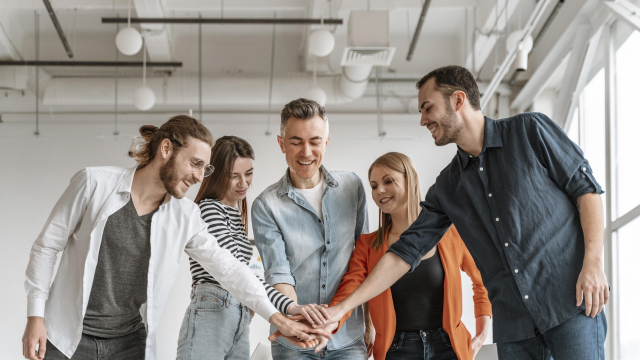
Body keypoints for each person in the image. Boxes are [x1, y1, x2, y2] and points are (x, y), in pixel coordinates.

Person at [321, 65, 609, 360]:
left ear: (458, 100)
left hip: (570, 303)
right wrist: (340, 310)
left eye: (427, 108)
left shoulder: (530, 131)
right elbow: (404, 252)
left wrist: (594, 263)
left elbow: (586, 190)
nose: (423, 120)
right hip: (516, 328)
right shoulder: (448, 187)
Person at [21, 115, 329, 360]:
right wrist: (35, 316)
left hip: (130, 345)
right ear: (166, 149)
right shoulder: (93, 184)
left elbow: (232, 271)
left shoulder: (186, 216)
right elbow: (48, 246)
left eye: (204, 168)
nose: (199, 177)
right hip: (67, 335)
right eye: (195, 164)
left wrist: (280, 315)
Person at [313, 152, 492, 360]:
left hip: (448, 347)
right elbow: (350, 291)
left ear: (412, 179)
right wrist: (329, 323)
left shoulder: (449, 232)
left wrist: (481, 334)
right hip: (397, 350)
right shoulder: (368, 245)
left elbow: (483, 280)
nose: (379, 190)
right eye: (373, 185)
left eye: (388, 181)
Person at [177, 136, 330, 360]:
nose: (244, 183)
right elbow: (237, 272)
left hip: (238, 312)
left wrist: (288, 309)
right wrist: (288, 307)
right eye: (234, 176)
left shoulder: (234, 214)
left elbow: (245, 279)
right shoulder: (210, 209)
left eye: (248, 173)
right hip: (214, 309)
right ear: (217, 174)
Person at [252, 98, 370, 360]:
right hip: (295, 340)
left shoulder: (353, 187)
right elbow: (278, 272)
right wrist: (300, 319)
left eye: (314, 141)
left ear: (326, 142)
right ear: (282, 144)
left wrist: (370, 324)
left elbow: (364, 261)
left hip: (348, 337)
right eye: (296, 142)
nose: (306, 152)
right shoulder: (266, 205)